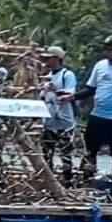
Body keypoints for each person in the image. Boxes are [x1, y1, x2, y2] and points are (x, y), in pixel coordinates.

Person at [63, 35, 112, 201]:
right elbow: (90, 89)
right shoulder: (100, 66)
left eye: (111, 49)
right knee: (90, 151)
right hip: (98, 115)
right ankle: (87, 182)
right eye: (105, 49)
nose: (108, 52)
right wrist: (72, 97)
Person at [38, 46, 78, 183]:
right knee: (46, 155)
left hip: (64, 122)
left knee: (66, 155)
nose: (45, 61)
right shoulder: (47, 77)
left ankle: (67, 183)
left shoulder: (67, 75)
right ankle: (48, 183)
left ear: (57, 59)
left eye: (48, 58)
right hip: (49, 123)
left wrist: (55, 89)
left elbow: (68, 95)